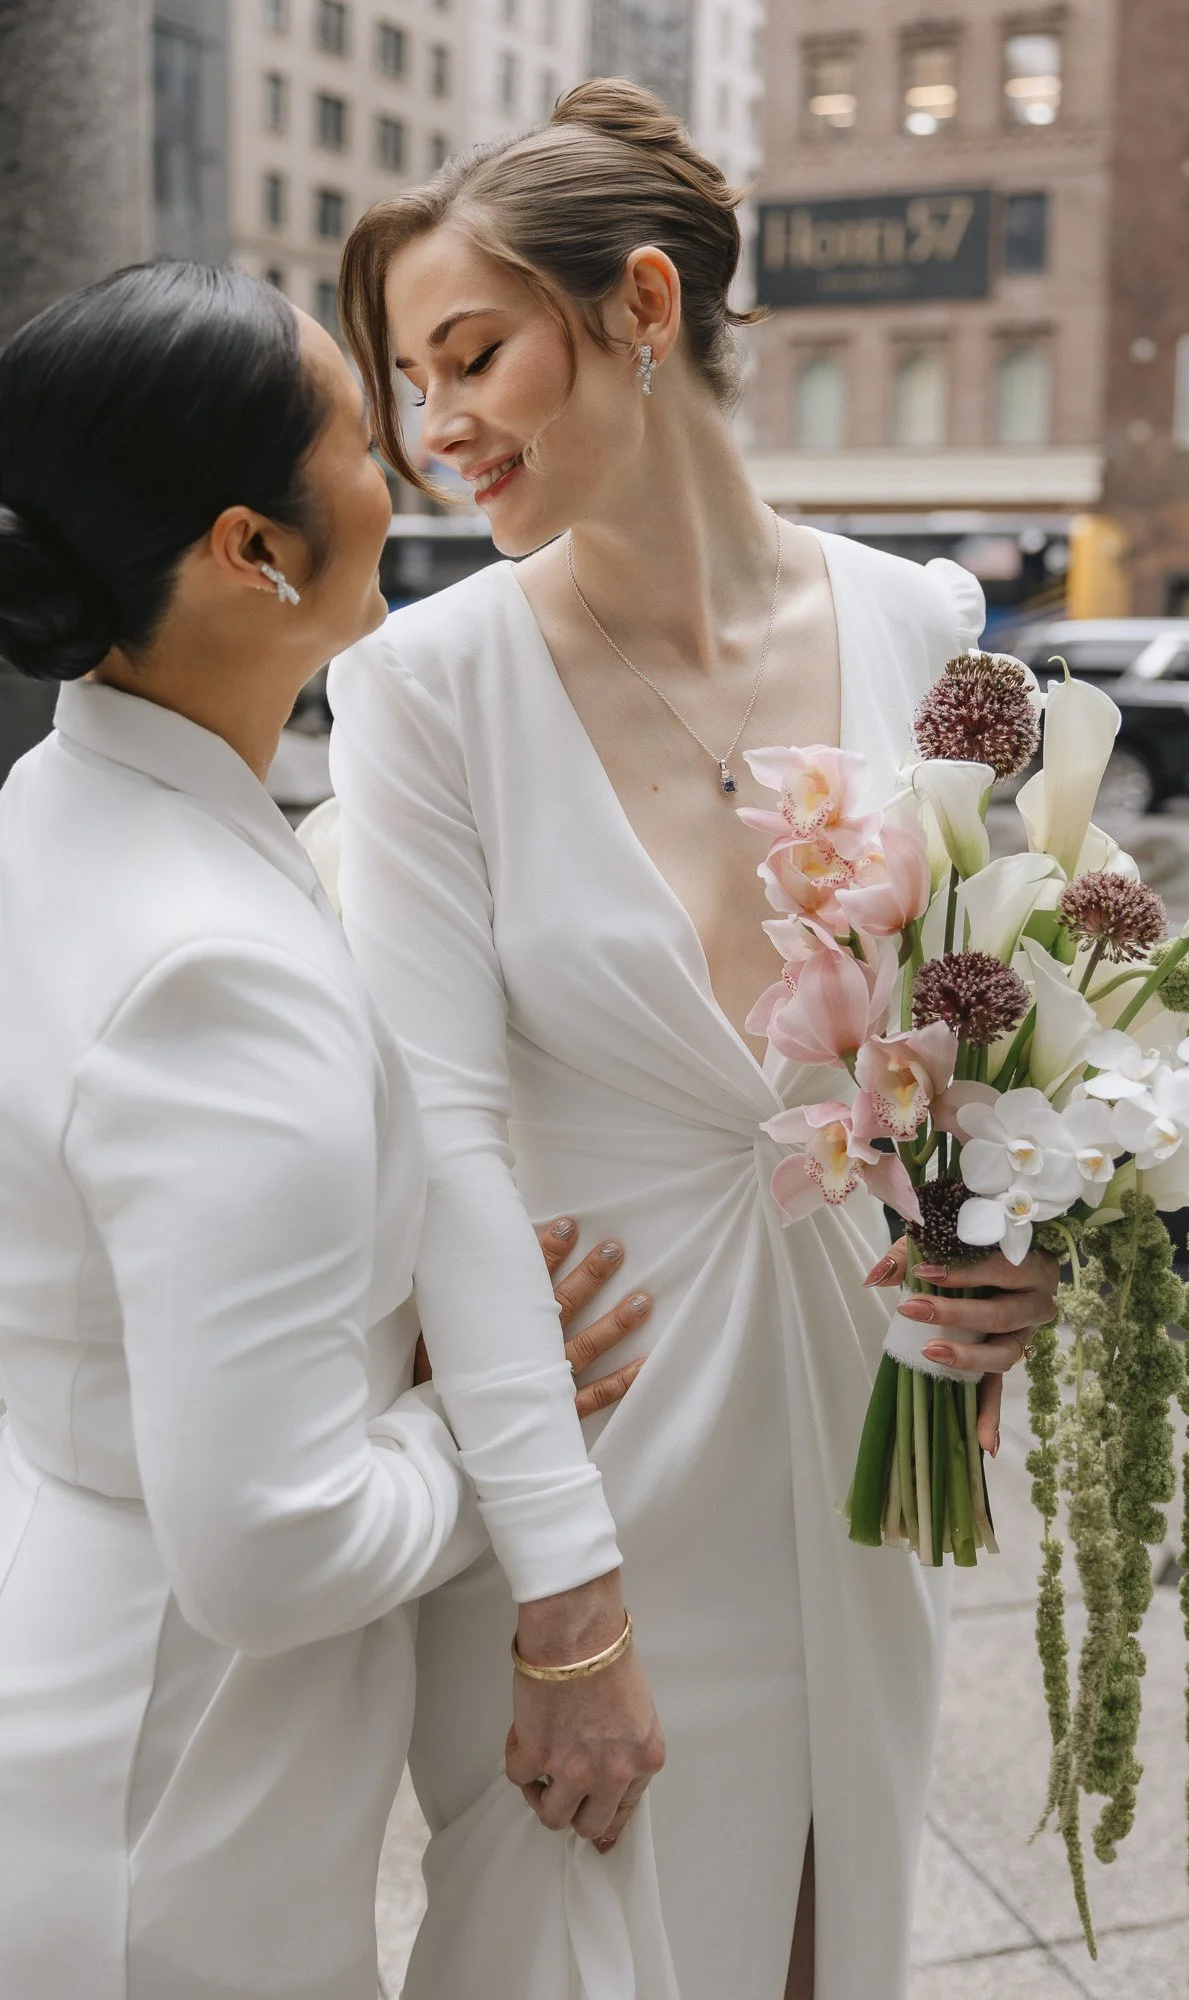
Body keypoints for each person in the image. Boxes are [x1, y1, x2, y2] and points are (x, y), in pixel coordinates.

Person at [327, 79, 1061, 2000]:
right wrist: (562, 1600)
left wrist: (1012, 1256)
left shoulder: (929, 622)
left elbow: (1002, 1024)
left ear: (640, 307)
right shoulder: (422, 690)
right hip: (600, 1430)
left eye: (470, 354)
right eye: (407, 379)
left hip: (863, 1415)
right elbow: (449, 1150)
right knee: (573, 1943)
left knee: (835, 1932)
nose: (436, 426)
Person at [0, 260, 654, 2000]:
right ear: (251, 549)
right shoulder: (213, 969)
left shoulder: (60, 801)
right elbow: (275, 1545)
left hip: (73, 1656)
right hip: (182, 1796)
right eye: (364, 434)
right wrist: (472, 1426)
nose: (409, 465)